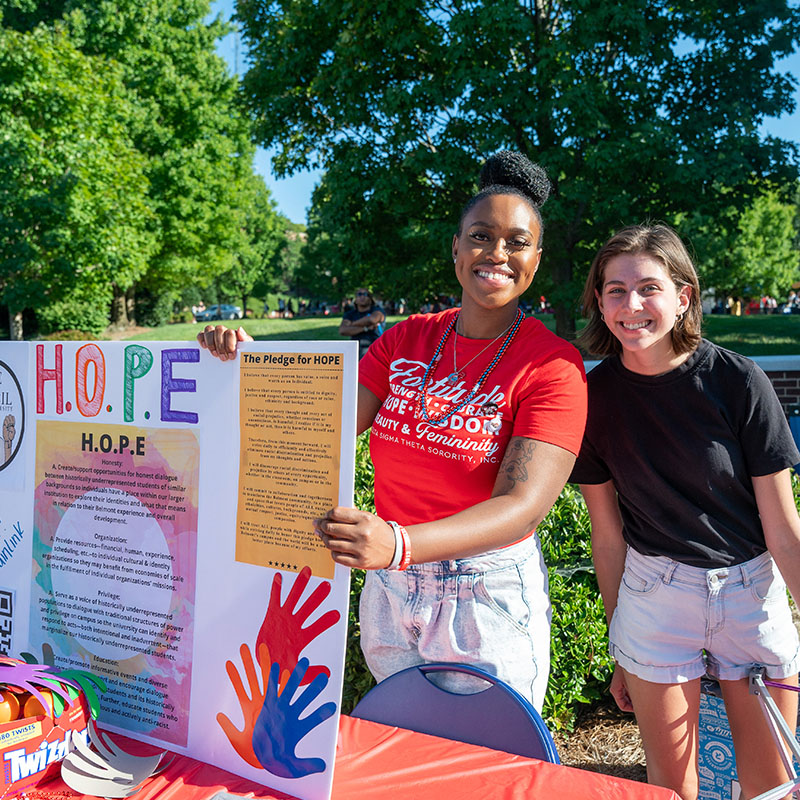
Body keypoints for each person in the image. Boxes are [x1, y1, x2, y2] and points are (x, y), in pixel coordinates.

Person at [197, 151, 588, 710]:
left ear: (537, 259)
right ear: (455, 247)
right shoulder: (407, 339)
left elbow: (523, 505)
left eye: (517, 242)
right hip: (390, 586)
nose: (497, 253)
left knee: (482, 769)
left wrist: (399, 544)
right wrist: (249, 364)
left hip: (483, 594)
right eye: (480, 235)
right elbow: (322, 427)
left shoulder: (553, 366)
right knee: (407, 751)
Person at [571, 224, 800, 800]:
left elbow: (783, 529)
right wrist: (620, 646)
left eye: (649, 287)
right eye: (615, 290)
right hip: (655, 597)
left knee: (770, 788)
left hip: (750, 593)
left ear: (684, 296)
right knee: (669, 792)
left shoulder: (738, 382)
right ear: (599, 301)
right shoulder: (593, 400)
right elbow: (608, 536)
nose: (632, 305)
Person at [338, 289, 385, 359]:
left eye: (365, 294)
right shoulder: (350, 314)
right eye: (359, 294)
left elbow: (372, 320)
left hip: (373, 346)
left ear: (370, 299)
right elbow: (343, 330)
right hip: (354, 347)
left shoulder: (377, 310)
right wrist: (365, 328)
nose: (362, 297)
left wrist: (352, 324)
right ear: (356, 299)